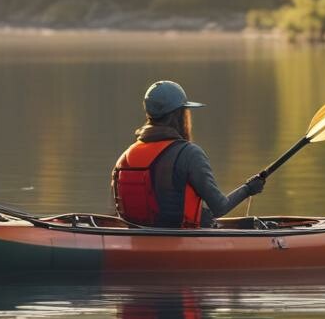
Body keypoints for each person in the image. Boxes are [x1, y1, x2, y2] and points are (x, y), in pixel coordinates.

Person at [112, 81, 265, 228]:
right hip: (178, 242)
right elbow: (220, 207)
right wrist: (248, 189)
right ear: (180, 115)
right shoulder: (189, 154)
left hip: (135, 238)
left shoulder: (124, 158)